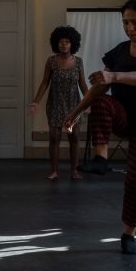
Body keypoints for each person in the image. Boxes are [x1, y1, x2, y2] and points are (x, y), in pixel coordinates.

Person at [62, 0, 136, 255]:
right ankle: (101, 157)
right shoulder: (120, 50)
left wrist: (114, 75)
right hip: (125, 116)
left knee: (135, 182)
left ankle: (129, 233)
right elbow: (100, 85)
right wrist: (75, 112)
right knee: (102, 101)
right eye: (125, 23)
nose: (130, 28)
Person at [29, 25, 88, 180]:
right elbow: (44, 83)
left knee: (74, 137)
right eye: (61, 41)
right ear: (56, 43)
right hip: (55, 103)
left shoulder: (78, 62)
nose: (63, 44)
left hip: (74, 105)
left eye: (67, 41)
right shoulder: (51, 61)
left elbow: (82, 85)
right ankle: (54, 171)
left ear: (72, 44)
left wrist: (89, 103)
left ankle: (74, 171)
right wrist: (35, 102)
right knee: (54, 136)